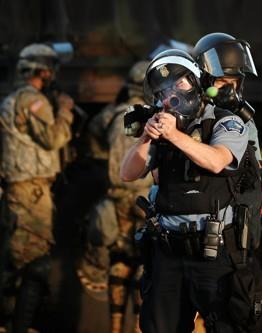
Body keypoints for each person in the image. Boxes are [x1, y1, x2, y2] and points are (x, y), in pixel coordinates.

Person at [120, 49, 253, 333]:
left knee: (226, 324)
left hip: (213, 249)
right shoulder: (162, 124)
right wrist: (146, 137)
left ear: (195, 82)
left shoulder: (225, 120)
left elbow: (217, 160)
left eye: (180, 84)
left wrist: (173, 135)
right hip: (169, 250)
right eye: (164, 90)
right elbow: (127, 173)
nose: (172, 95)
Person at [0, 43, 74, 332]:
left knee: (17, 260)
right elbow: (53, 139)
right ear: (43, 71)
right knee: (33, 262)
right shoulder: (33, 100)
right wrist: (65, 111)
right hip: (30, 194)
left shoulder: (13, 99)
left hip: (23, 191)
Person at [79, 60, 153, 332]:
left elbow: (94, 135)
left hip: (117, 199)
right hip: (145, 200)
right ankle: (138, 327)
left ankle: (115, 326)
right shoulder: (155, 114)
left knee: (119, 264)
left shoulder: (112, 114)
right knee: (147, 266)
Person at [192, 32, 261, 161]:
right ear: (203, 80)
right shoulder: (185, 113)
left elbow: (255, 163)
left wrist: (261, 175)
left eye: (233, 83)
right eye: (222, 82)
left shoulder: (244, 121)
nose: (229, 91)